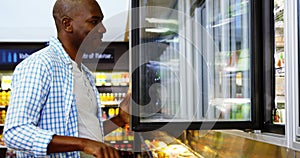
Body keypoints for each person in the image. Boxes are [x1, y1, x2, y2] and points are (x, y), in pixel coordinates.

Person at [3, 0, 130, 157]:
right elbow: (15, 133)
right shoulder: (40, 65)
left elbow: (83, 132)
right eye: (94, 21)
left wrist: (119, 119)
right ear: (67, 24)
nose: (103, 29)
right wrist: (84, 144)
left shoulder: (85, 74)